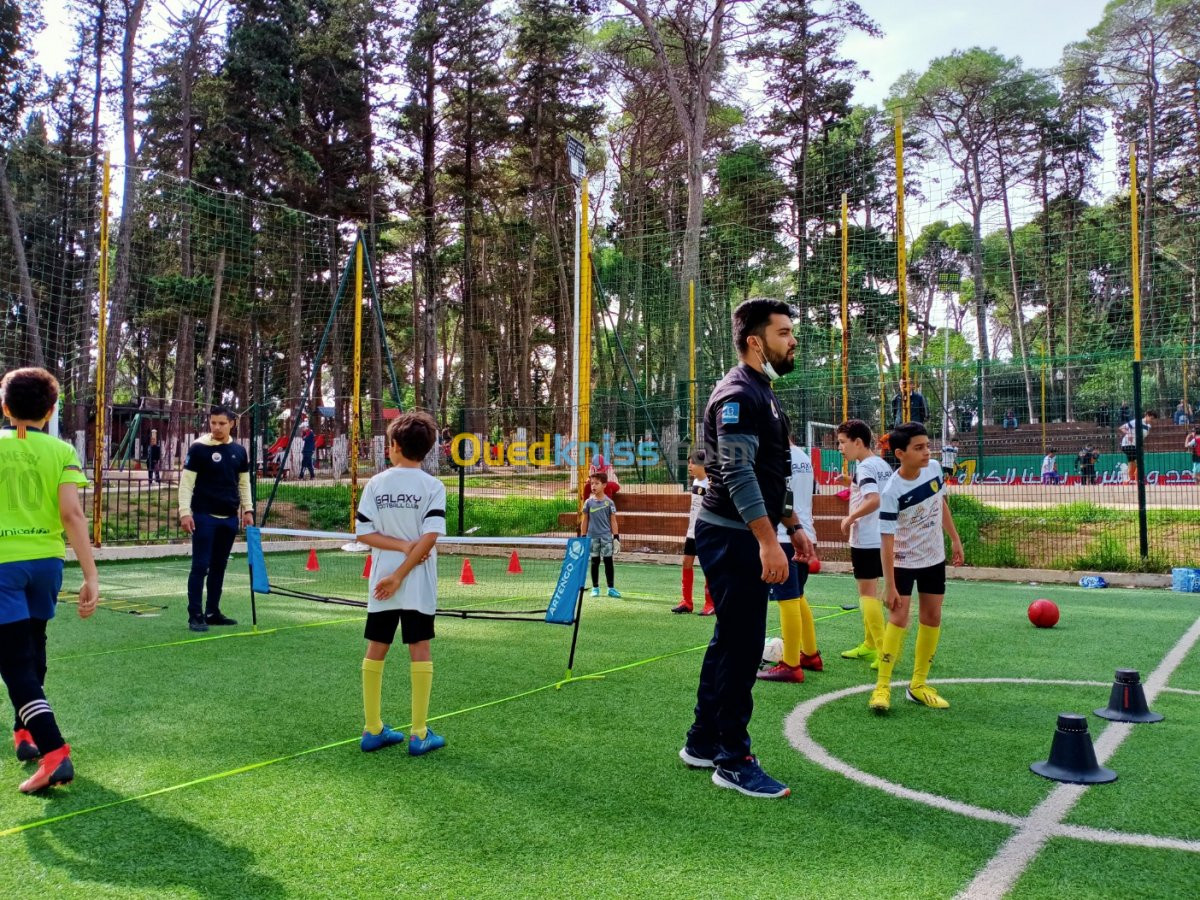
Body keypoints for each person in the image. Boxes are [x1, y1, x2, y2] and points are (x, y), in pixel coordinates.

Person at [680, 297, 812, 800]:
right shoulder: (736, 393)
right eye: (783, 333)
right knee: (742, 645)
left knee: (730, 639)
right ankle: (733, 759)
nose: (791, 340)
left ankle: (702, 741)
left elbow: (768, 471)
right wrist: (766, 541)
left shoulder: (765, 392)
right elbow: (734, 470)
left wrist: (792, 524)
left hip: (748, 531)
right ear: (756, 341)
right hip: (731, 535)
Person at [0, 367, 99, 793]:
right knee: (33, 646)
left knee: (14, 664)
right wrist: (91, 575)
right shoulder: (61, 451)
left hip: (3, 565)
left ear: (4, 407)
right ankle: (25, 735)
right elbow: (72, 514)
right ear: (52, 410)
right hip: (46, 564)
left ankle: (54, 752)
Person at [353, 412, 446, 756]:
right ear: (428, 450)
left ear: (393, 446)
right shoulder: (433, 487)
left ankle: (373, 728)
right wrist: (406, 559)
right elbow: (429, 539)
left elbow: (363, 533)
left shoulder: (376, 484)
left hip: (382, 583)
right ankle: (418, 733)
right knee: (419, 647)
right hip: (416, 584)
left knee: (377, 647)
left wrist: (393, 572)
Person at [869, 422, 964, 714]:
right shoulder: (890, 491)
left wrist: (955, 540)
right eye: (919, 448)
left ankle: (918, 685)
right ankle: (882, 687)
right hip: (903, 563)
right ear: (900, 453)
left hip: (934, 559)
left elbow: (941, 504)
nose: (927, 452)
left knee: (933, 616)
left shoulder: (935, 469)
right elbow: (886, 541)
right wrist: (890, 584)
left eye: (927, 446)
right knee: (898, 618)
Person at [179, 406, 253, 632]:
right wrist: (184, 512)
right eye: (213, 423)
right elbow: (186, 483)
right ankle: (195, 615)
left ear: (232, 423)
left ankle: (212, 612)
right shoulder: (199, 448)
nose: (217, 427)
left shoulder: (240, 452)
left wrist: (247, 510)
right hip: (204, 517)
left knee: (219, 566)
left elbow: (243, 483)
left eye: (221, 423)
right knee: (200, 566)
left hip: (229, 519)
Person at [757, 434, 822, 683]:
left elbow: (779, 497)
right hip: (806, 531)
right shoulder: (803, 457)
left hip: (786, 536)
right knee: (798, 597)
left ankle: (791, 664)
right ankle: (810, 653)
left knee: (787, 599)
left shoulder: (777, 457)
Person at [835, 419, 893, 670]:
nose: (840, 448)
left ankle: (882, 650)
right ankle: (870, 644)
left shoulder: (866, 467)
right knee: (871, 593)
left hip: (867, 538)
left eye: (842, 442)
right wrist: (851, 483)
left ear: (858, 442)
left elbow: (874, 499)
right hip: (882, 536)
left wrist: (851, 516)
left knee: (867, 595)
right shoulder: (881, 465)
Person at [672, 450, 714, 616]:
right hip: (692, 531)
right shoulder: (697, 481)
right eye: (689, 462)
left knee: (707, 567)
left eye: (693, 463)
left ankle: (711, 603)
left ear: (703, 466)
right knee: (686, 562)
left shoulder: (711, 485)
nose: (689, 466)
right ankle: (687, 602)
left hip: (707, 531)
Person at [581, 473, 621, 598]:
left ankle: (611, 588)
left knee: (608, 561)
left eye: (596, 483)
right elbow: (585, 520)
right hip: (592, 537)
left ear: (604, 485)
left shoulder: (609, 503)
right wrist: (583, 536)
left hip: (606, 537)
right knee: (594, 562)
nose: (593, 486)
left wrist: (616, 537)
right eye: (592, 483)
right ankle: (595, 587)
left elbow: (613, 521)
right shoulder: (588, 503)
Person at [1119, 410, 1157, 483]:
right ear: (1147, 415)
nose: (1152, 420)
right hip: (1127, 444)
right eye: (1151, 418)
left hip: (1135, 446)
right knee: (1140, 462)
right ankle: (1138, 481)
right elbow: (1122, 427)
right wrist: (1129, 433)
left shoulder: (1148, 427)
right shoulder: (1136, 422)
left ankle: (1127, 481)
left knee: (1132, 463)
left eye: (1154, 419)